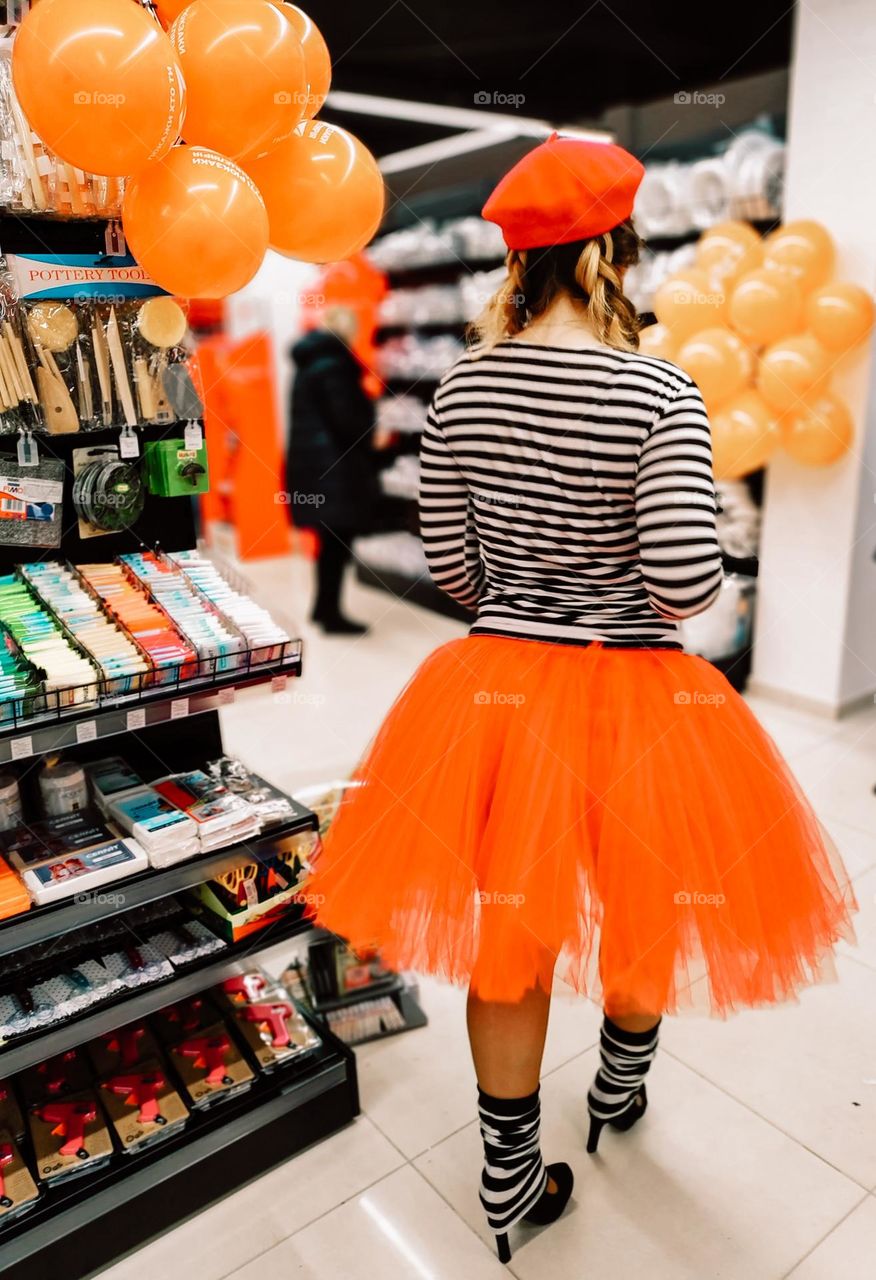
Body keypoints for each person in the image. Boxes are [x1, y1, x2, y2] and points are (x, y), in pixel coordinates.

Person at [307, 134, 856, 1263]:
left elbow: (454, 570)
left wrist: (529, 585)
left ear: (519, 259)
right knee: (645, 896)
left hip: (499, 688)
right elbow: (687, 586)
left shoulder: (462, 386)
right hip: (639, 691)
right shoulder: (660, 390)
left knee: (512, 932)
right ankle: (617, 1089)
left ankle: (507, 1177)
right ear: (615, 250)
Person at [287, 305, 379, 635]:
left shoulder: (309, 362)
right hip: (336, 468)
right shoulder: (335, 365)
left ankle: (322, 608)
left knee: (329, 542)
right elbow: (348, 421)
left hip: (314, 465)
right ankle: (331, 615)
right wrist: (371, 421)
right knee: (337, 543)